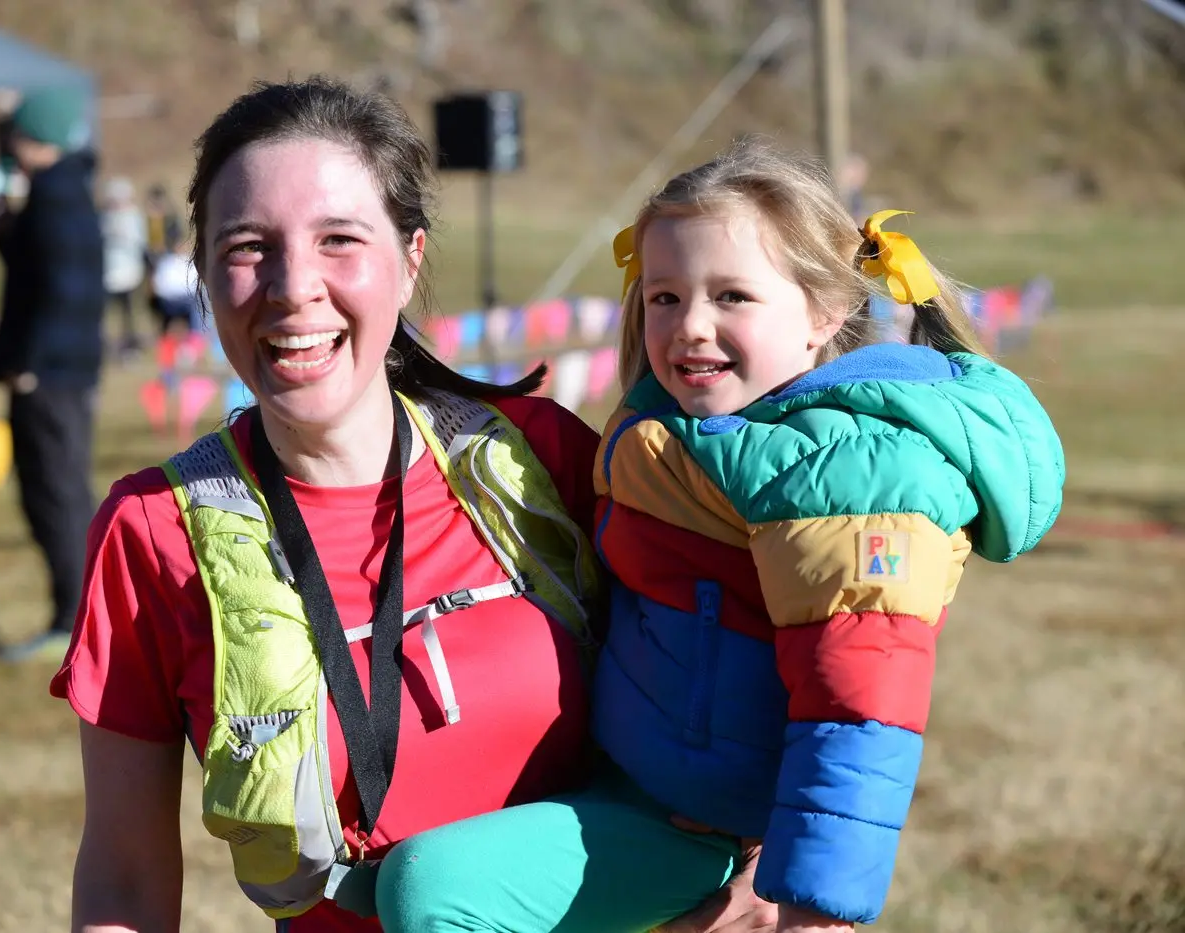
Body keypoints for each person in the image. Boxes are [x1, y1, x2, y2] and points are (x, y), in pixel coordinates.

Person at [50, 78, 778, 933]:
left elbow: (769, 633)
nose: (292, 286)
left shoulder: (535, 457)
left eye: (338, 240)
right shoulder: (153, 532)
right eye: (248, 246)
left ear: (410, 260)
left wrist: (769, 865)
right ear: (203, 276)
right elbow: (126, 883)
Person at [374, 141, 1066, 932]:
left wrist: (807, 905)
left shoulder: (847, 476)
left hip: (698, 834)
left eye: (732, 295)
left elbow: (861, 705)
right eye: (665, 297)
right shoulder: (676, 431)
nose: (691, 327)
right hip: (623, 780)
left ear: (824, 313)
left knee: (428, 893)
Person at [0, 87, 106, 663]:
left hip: (50, 375)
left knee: (54, 492)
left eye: (14, 134)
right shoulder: (64, 190)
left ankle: (72, 620)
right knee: (57, 488)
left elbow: (62, 292)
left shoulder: (56, 197)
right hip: (61, 370)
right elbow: (39, 272)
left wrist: (31, 365)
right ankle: (78, 612)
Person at [101, 176, 148, 356]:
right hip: (108, 274)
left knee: (130, 313)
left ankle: (131, 344)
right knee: (106, 315)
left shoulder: (133, 217)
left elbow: (140, 241)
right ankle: (108, 346)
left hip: (129, 273)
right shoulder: (104, 218)